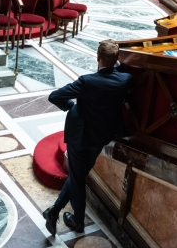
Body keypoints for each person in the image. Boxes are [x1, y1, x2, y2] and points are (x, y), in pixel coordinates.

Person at [42, 40, 133, 235]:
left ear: (97, 58)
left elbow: (55, 96)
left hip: (80, 136)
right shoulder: (125, 79)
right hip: (101, 137)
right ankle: (54, 212)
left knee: (77, 177)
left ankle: (77, 221)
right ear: (116, 60)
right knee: (78, 174)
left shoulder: (87, 81)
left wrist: (71, 106)